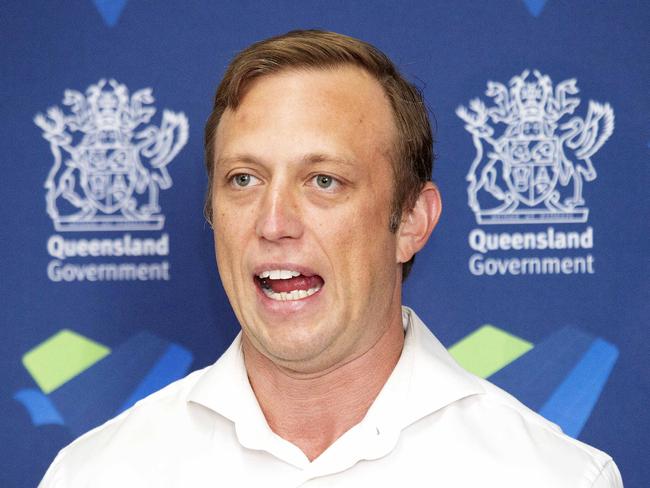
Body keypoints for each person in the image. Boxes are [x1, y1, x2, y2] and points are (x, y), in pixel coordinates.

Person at [40, 30, 623, 487]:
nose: (273, 223)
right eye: (244, 178)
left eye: (323, 180)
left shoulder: (552, 478)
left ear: (412, 222)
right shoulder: (95, 475)